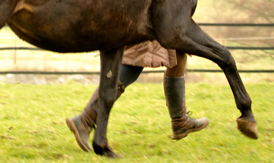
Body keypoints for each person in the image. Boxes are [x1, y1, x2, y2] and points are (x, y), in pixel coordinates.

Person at [66, 40, 209, 152]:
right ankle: (85, 120)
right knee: (135, 59)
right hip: (148, 9)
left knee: (177, 53)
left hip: (163, 12)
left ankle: (180, 121)